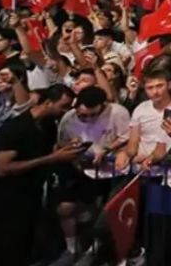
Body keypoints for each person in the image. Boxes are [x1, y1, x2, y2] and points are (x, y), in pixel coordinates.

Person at [0, 85, 78, 266]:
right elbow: (2, 168)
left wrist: (66, 149)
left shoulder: (48, 125)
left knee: (24, 249)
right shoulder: (15, 129)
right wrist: (52, 158)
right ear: (48, 102)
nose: (65, 111)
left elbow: (47, 150)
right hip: (4, 199)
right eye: (63, 106)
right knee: (6, 251)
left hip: (29, 196)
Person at [52, 86, 130, 263]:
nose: (88, 119)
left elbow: (127, 136)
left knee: (106, 217)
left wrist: (108, 149)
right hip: (83, 168)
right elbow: (60, 144)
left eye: (92, 115)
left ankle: (100, 250)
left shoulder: (118, 112)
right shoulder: (69, 118)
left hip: (112, 172)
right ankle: (72, 249)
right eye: (83, 116)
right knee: (67, 208)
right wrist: (72, 148)